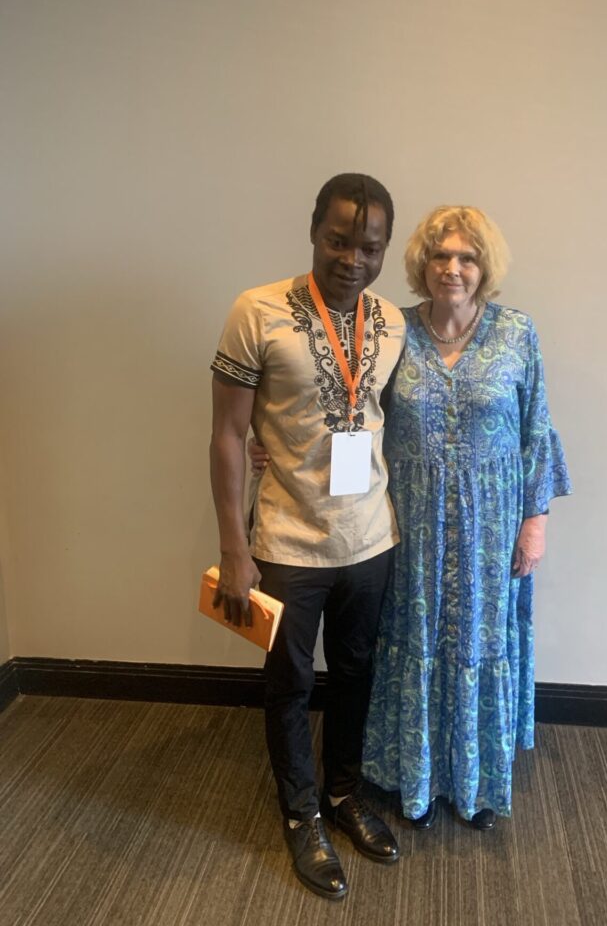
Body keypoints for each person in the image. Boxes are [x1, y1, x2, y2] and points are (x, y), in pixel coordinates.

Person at [209, 173, 405, 901]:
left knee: (357, 674)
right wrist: (235, 547)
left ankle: (345, 795)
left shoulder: (393, 321)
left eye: (370, 246)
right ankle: (300, 813)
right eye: (339, 240)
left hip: (371, 540)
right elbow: (228, 435)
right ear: (314, 229)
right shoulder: (255, 311)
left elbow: (382, 421)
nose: (353, 258)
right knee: (288, 684)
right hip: (288, 543)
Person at [361, 205, 572, 830]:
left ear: (484, 267)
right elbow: (347, 412)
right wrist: (271, 442)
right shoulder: (390, 332)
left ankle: (477, 783)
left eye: (466, 257)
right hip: (409, 527)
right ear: (422, 264)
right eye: (440, 256)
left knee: (481, 642)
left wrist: (535, 519)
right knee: (414, 641)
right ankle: (413, 779)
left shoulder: (516, 333)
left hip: (492, 530)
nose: (452, 269)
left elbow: (537, 430)